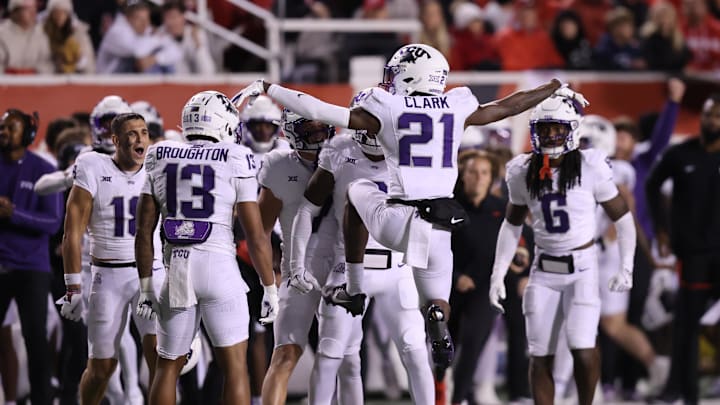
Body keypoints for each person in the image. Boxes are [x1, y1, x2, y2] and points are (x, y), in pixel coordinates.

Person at [234, 43, 576, 368]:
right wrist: (553, 87)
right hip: (442, 222)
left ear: (409, 75)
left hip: (396, 219)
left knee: (357, 193)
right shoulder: (456, 105)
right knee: (436, 300)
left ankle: (354, 289)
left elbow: (318, 110)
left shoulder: (388, 107)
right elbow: (506, 106)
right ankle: (437, 316)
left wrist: (269, 87)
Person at [488, 96, 637, 405]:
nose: (551, 136)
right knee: (540, 354)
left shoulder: (590, 164)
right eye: (545, 129)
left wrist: (627, 265)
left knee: (583, 349)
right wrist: (497, 273)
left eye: (558, 129)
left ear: (572, 129)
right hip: (543, 269)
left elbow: (622, 218)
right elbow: (511, 224)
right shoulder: (522, 169)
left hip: (582, 266)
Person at [289, 89, 434, 405]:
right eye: (366, 123)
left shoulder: (413, 150)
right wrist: (296, 264)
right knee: (331, 351)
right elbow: (306, 208)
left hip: (397, 268)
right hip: (349, 265)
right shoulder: (340, 149)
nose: (371, 131)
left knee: (415, 349)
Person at [134, 90, 278, 405]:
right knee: (235, 368)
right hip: (219, 267)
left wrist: (146, 287)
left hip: (178, 270)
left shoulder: (160, 154)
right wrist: (270, 287)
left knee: (167, 366)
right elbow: (255, 234)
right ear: (224, 124)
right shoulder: (236, 156)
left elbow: (143, 230)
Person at [57, 112, 164, 405]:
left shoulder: (159, 165)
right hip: (108, 276)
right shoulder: (92, 165)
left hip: (152, 273)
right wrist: (73, 287)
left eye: (144, 132)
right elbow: (72, 232)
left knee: (161, 358)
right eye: (132, 134)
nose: (140, 138)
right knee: (102, 367)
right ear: (115, 140)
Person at [254, 108, 341, 405]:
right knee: (285, 353)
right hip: (297, 270)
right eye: (310, 129)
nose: (318, 135)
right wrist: (269, 279)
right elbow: (261, 232)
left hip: (342, 270)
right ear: (291, 133)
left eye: (322, 128)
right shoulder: (278, 165)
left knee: (346, 358)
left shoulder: (346, 156)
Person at [646, 93, 720, 404]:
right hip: (694, 255)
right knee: (686, 324)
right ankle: (683, 391)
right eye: (708, 115)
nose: (712, 121)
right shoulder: (681, 154)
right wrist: (662, 230)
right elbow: (651, 185)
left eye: (717, 116)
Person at [0, 109, 61, 405]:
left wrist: (15, 213)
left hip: (31, 267)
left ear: (28, 134)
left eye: (11, 128)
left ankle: (42, 400)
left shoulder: (43, 169)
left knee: (36, 339)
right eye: (2, 127)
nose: (4, 133)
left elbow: (52, 223)